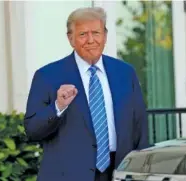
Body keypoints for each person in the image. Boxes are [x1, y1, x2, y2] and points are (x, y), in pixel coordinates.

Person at [24, 7, 149, 181]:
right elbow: (32, 130)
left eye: (96, 33)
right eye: (83, 34)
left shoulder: (125, 73)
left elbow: (140, 127)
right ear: (71, 38)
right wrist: (58, 106)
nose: (91, 40)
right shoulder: (47, 76)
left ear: (104, 36)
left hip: (118, 172)